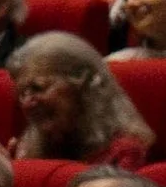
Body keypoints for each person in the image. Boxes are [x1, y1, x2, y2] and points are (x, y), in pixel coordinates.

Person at [12, 32, 158, 168]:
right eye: (22, 93)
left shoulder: (125, 154)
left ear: (83, 84)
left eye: (38, 88)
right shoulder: (28, 150)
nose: (27, 103)